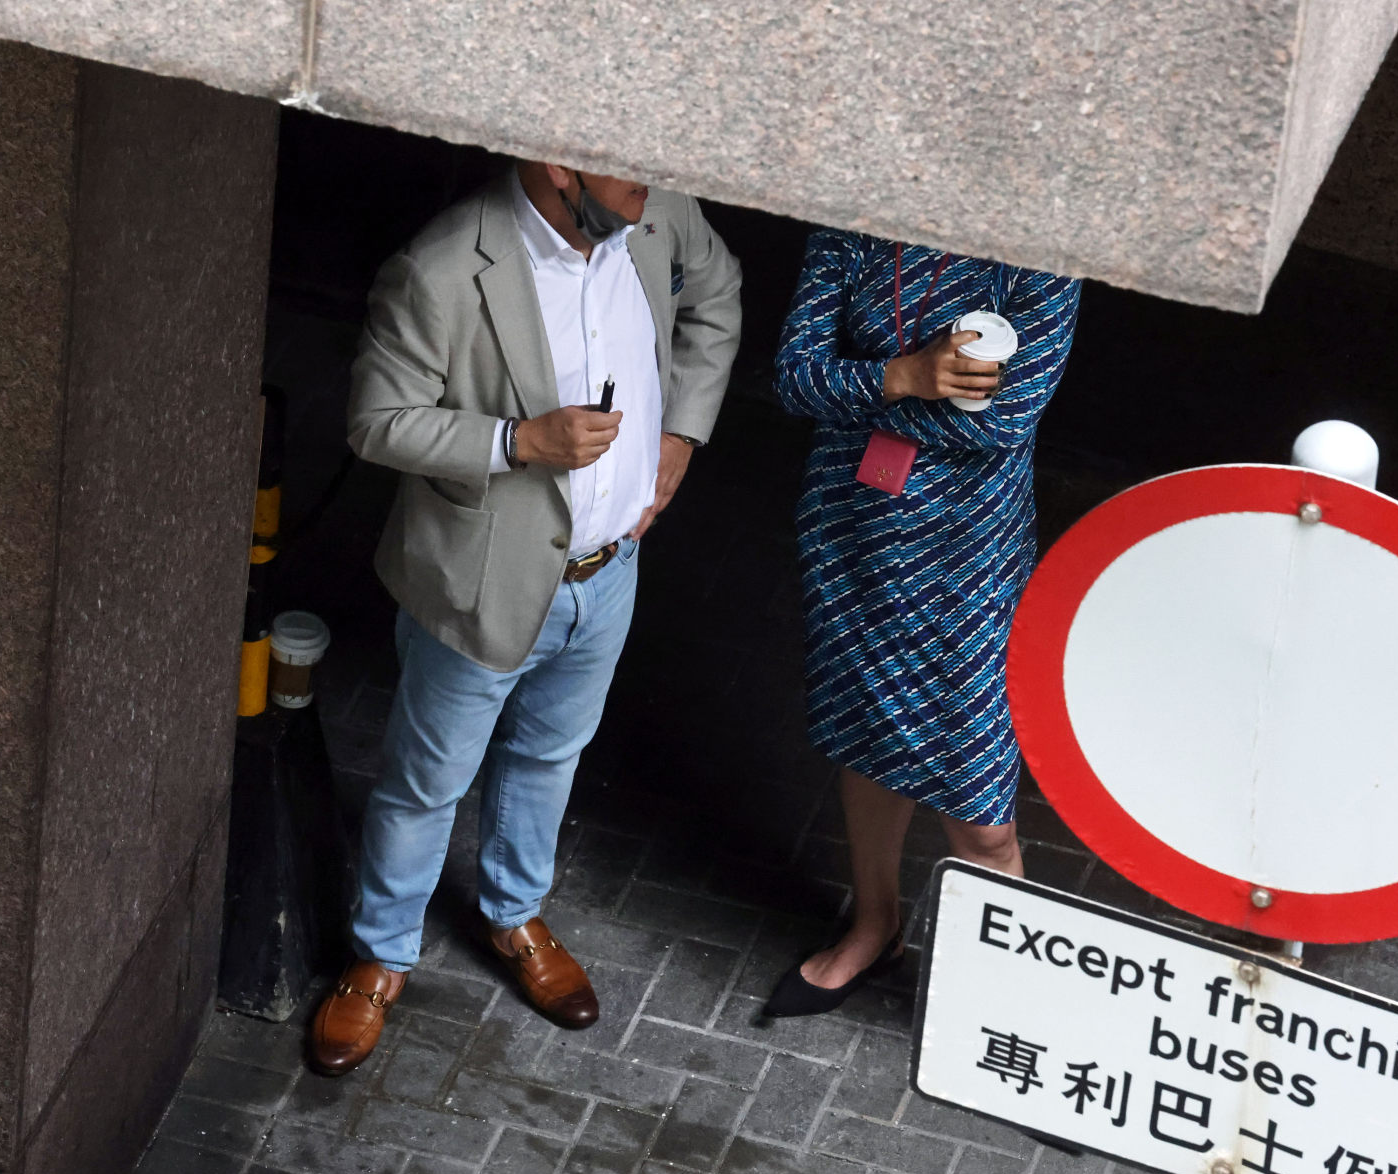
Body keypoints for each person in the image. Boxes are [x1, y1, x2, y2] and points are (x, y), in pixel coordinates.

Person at [307, 162, 743, 1075]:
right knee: (426, 782)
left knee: (549, 755)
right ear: (557, 167)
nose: (654, 183)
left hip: (609, 569)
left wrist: (681, 433)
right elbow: (376, 420)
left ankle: (512, 915)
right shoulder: (440, 265)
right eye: (629, 168)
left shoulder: (658, 213)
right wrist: (517, 442)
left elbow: (718, 289)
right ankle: (380, 955)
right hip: (481, 578)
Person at [763, 230, 1080, 1017]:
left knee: (978, 808)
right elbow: (794, 379)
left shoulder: (1043, 253)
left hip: (961, 562)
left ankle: (1003, 998)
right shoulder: (852, 226)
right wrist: (905, 375)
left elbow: (1004, 421)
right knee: (862, 735)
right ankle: (875, 925)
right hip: (850, 532)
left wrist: (865, 394)